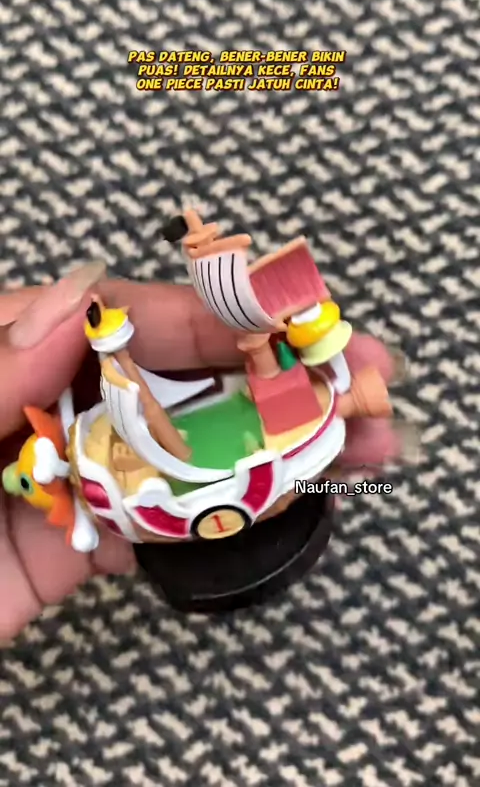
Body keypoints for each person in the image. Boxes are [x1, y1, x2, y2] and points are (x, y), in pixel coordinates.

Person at [0, 262, 411, 640]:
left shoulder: (118, 457)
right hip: (204, 454)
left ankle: (335, 397)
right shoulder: (117, 467)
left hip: (231, 443)